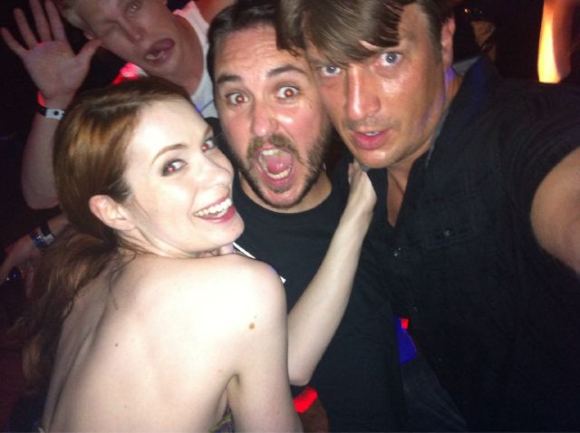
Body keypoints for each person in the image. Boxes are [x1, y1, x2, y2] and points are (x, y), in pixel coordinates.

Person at [277, 0, 580, 431]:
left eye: (389, 58)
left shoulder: (522, 126)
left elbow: (562, 184)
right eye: (331, 68)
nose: (357, 107)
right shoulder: (354, 178)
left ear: (444, 39)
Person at [21, 76, 301, 432]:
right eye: (173, 166)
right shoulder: (240, 288)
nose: (218, 173)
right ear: (113, 211)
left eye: (208, 144)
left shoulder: (93, 272)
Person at [207, 2, 406, 431]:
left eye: (286, 91)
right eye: (237, 98)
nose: (261, 126)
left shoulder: (381, 217)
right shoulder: (196, 188)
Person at [1, 0, 233, 209]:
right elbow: (43, 196)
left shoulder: (225, 12)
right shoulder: (129, 101)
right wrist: (56, 99)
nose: (135, 34)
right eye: (109, 27)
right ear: (94, 38)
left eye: (133, 7)